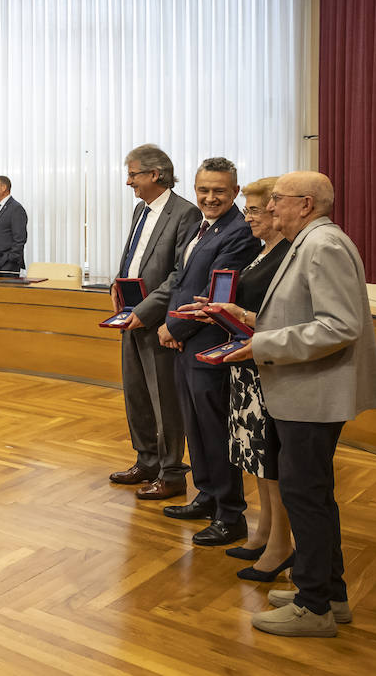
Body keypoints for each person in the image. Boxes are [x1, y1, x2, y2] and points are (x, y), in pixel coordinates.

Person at [207, 171, 376, 637]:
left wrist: (263, 343)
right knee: (311, 496)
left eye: (278, 202)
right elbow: (299, 314)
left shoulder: (322, 245)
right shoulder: (310, 242)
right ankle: (329, 593)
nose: (269, 209)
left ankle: (314, 608)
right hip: (302, 390)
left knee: (305, 498)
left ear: (305, 204)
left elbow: (338, 326)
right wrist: (243, 317)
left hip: (312, 393)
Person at [156, 157, 262, 546]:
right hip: (187, 342)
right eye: (204, 190)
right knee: (195, 427)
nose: (210, 197)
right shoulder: (201, 227)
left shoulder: (239, 232)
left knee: (215, 430)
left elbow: (217, 296)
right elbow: (183, 282)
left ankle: (230, 514)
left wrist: (173, 327)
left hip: (212, 345)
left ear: (235, 192)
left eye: (219, 191)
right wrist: (174, 328)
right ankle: (206, 495)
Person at [209, 176, 294, 582]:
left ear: (277, 213)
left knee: (272, 460)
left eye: (256, 210)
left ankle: (281, 545)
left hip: (268, 366)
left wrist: (241, 316)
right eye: (249, 211)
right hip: (246, 362)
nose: (250, 218)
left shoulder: (289, 255)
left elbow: (284, 319)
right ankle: (263, 532)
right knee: (256, 458)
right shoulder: (263, 253)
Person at [112, 145, 202, 501]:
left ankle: (171, 473)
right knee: (136, 396)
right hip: (130, 319)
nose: (128, 181)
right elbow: (134, 261)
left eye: (133, 174)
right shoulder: (140, 209)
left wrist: (146, 311)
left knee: (164, 401)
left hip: (160, 324)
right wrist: (116, 287)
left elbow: (182, 273)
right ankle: (146, 461)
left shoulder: (186, 213)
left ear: (155, 174)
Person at [0, 175, 28, 276]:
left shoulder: (16, 208)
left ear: (3, 188)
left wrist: (10, 259)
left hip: (7, 265)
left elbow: (20, 239)